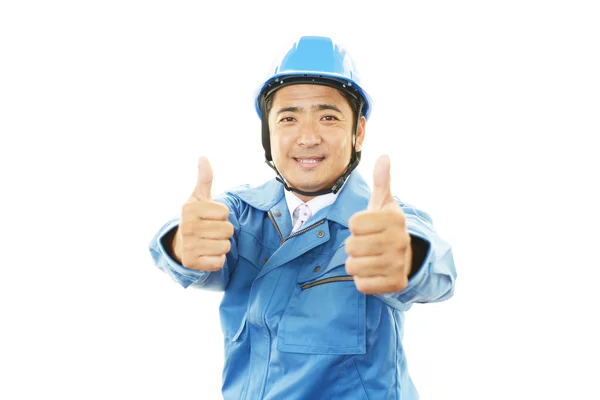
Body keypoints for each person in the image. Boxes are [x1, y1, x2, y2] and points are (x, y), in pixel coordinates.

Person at [148, 35, 457, 400]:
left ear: (358, 132)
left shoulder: (381, 222)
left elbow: (439, 269)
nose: (307, 137)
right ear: (269, 132)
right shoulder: (242, 214)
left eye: (328, 117)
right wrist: (179, 243)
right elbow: (188, 244)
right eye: (289, 118)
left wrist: (408, 258)